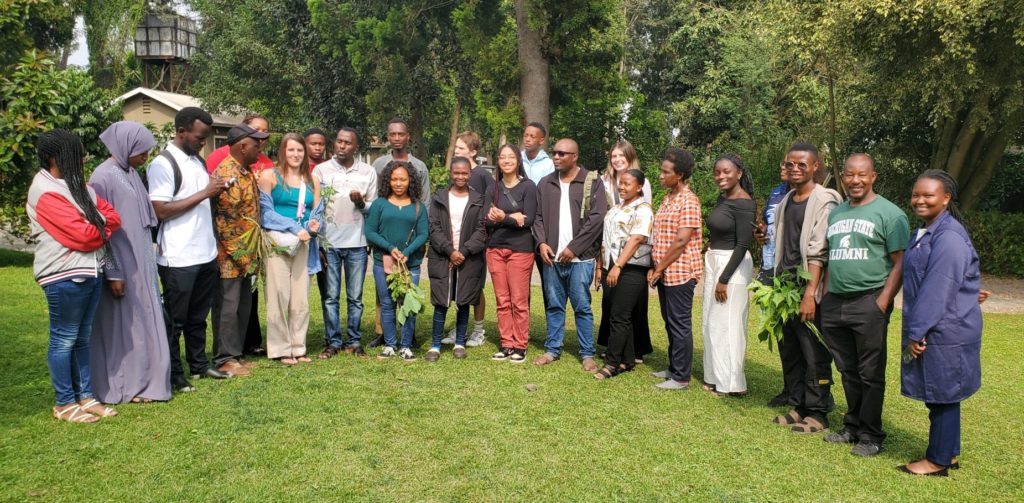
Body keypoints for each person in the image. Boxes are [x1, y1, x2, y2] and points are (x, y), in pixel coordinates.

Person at [28, 129, 122, 423]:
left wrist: (97, 222)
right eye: (76, 154)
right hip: (63, 276)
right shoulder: (44, 190)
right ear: (55, 157)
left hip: (90, 270)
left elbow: (113, 217)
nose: (83, 158)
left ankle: (86, 397)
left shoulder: (80, 187)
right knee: (63, 339)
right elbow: (84, 236)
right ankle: (64, 403)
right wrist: (96, 223)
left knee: (82, 339)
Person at [820, 154, 909, 456]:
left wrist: (883, 301)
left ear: (873, 176)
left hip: (868, 301)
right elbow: (831, 256)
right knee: (847, 370)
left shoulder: (890, 214)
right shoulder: (838, 213)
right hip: (836, 302)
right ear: (843, 176)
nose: (855, 181)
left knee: (870, 372)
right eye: (849, 175)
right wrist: (826, 293)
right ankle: (852, 425)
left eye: (862, 175)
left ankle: (871, 435)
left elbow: (901, 262)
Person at [898, 170, 982, 476]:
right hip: (943, 326)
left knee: (943, 394)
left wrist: (916, 333)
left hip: (945, 330)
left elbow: (938, 288)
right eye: (916, 194)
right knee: (943, 393)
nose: (919, 200)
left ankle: (938, 461)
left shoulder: (948, 237)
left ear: (945, 198)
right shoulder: (930, 230)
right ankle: (951, 452)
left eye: (928, 195)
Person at [88, 121, 171, 404]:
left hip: (141, 260)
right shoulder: (103, 176)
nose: (144, 157)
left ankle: (147, 381)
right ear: (125, 146)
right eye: (141, 151)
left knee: (143, 318)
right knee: (124, 325)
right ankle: (127, 383)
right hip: (121, 262)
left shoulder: (131, 173)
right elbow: (101, 229)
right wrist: (113, 271)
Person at [149, 107, 231, 393]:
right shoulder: (163, 164)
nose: (202, 143)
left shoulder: (196, 160)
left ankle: (198, 364)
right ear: (181, 131)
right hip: (178, 256)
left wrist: (215, 190)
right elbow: (160, 210)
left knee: (198, 317)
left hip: (204, 252)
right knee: (176, 319)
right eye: (199, 137)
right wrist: (205, 193)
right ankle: (174, 373)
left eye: (205, 138)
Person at [770, 143, 841, 434]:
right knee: (792, 350)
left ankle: (819, 411)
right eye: (790, 164)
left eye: (802, 164)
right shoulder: (788, 199)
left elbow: (818, 251)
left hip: (809, 288)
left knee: (814, 353)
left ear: (816, 167)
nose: (795, 169)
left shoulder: (825, 199)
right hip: (784, 286)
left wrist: (810, 294)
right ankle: (798, 404)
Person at [532, 138, 607, 372]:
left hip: (580, 259)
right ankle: (552, 349)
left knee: (582, 306)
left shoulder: (592, 182)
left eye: (562, 154)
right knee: (554, 305)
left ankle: (587, 354)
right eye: (554, 153)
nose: (556, 157)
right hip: (551, 258)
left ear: (575, 156)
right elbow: (538, 218)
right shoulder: (545, 183)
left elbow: (597, 219)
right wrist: (542, 243)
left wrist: (574, 248)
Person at [206, 113, 273, 358]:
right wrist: (244, 257)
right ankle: (224, 357)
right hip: (230, 259)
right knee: (228, 308)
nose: (260, 149)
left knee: (243, 306)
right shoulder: (227, 175)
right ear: (242, 146)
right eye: (256, 145)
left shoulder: (245, 170)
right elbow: (225, 224)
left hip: (247, 256)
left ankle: (236, 354)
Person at [258, 133, 322, 365]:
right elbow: (266, 212)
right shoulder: (269, 176)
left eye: (300, 150)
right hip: (277, 243)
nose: (295, 155)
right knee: (278, 295)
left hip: (303, 243)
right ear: (282, 152)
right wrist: (294, 227)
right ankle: (280, 348)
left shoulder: (311, 179)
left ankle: (298, 346)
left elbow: (317, 211)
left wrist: (314, 225)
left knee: (300, 297)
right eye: (291, 150)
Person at [313, 127, 377, 359]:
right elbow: (316, 208)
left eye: (347, 143)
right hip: (329, 243)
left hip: (357, 243)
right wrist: (318, 241)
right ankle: (333, 342)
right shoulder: (321, 170)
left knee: (355, 296)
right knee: (330, 296)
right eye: (339, 141)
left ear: (355, 147)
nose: (341, 146)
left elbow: (373, 207)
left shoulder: (368, 172)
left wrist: (361, 202)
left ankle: (354, 340)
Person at [647, 147, 702, 390]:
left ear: (678, 175)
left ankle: (681, 376)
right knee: (669, 321)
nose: (660, 175)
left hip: (680, 271)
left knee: (679, 323)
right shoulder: (669, 197)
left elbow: (681, 241)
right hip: (664, 270)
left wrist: (658, 268)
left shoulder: (688, 200)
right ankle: (673, 366)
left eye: (665, 171)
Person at [701, 155, 756, 397]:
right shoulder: (725, 199)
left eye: (726, 172)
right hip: (716, 260)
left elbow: (743, 244)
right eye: (717, 172)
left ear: (739, 173)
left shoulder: (744, 203)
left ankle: (733, 384)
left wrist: (724, 279)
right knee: (712, 322)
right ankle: (715, 377)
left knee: (729, 325)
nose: (721, 176)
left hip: (731, 265)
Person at [364, 161, 429, 361]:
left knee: (408, 305)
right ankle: (390, 345)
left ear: (410, 180)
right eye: (394, 179)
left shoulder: (418, 207)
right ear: (388, 181)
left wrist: (407, 252)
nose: (398, 183)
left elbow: (423, 234)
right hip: (382, 261)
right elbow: (370, 231)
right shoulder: (379, 204)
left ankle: (406, 346)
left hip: (411, 264)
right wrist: (391, 248)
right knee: (387, 303)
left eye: (403, 179)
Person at [425, 157, 488, 361]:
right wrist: (450, 251)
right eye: (456, 173)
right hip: (442, 256)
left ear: (470, 174)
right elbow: (433, 227)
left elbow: (482, 229)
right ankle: (435, 345)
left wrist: (464, 252)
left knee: (464, 301)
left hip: (468, 258)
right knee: (441, 301)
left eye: (464, 173)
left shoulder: (478, 198)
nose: (460, 176)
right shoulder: (439, 197)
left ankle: (460, 342)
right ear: (451, 173)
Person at [597, 140, 653, 364]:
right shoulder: (606, 183)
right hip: (610, 256)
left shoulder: (641, 191)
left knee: (629, 309)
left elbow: (640, 230)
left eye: (622, 156)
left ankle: (631, 352)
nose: (617, 160)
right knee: (613, 307)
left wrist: (620, 263)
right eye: (614, 156)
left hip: (631, 260)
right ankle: (620, 349)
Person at [485, 144, 537, 363]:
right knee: (502, 299)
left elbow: (529, 219)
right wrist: (513, 217)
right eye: (502, 157)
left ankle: (520, 345)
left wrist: (503, 218)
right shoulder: (493, 188)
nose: (506, 161)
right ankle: (506, 343)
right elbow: (485, 218)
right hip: (495, 248)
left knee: (518, 300)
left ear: (518, 160)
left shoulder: (528, 187)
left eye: (511, 157)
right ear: (498, 161)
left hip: (520, 250)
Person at [439, 131, 491, 347]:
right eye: (456, 148)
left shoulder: (482, 176)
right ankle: (459, 328)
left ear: (473, 151)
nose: (456, 151)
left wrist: (472, 244)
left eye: (461, 148)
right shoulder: (456, 172)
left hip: (475, 243)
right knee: (457, 286)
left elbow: (487, 209)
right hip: (454, 242)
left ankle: (479, 330)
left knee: (475, 286)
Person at [757, 159, 795, 407]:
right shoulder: (776, 192)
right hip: (771, 266)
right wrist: (761, 231)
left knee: (802, 335)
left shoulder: (810, 195)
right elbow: (769, 225)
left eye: (790, 163)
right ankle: (790, 388)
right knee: (781, 331)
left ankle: (817, 392)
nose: (783, 166)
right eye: (783, 162)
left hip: (793, 270)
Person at [371, 117, 431, 207]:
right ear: (388, 137)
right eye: (393, 134)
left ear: (408, 136)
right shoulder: (378, 165)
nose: (397, 138)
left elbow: (425, 200)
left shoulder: (420, 167)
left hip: (412, 217)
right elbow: (373, 196)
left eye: (401, 134)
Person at [600, 140, 652, 205]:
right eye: (614, 156)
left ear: (630, 157)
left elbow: (647, 208)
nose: (617, 160)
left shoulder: (643, 182)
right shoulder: (603, 180)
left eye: (621, 155)